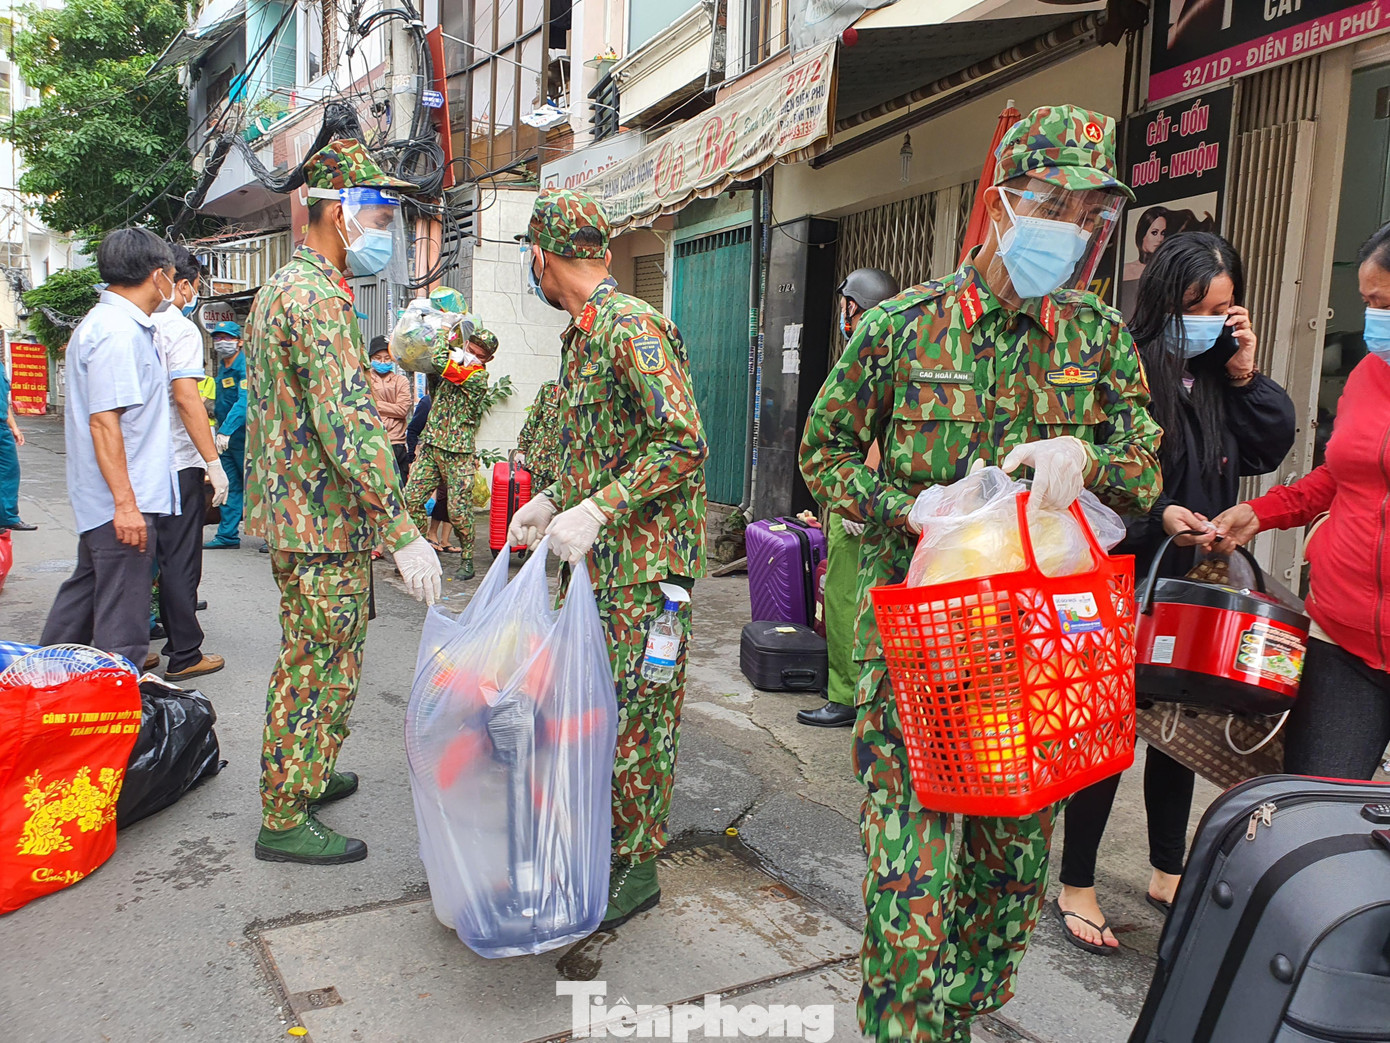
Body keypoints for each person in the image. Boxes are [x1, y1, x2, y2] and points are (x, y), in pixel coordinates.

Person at [799, 106, 1163, 1042]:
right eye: (1056, 201)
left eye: (1090, 212)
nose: (1073, 227)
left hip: (1036, 664)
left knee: (1003, 890)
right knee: (912, 891)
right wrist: (903, 508)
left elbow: (1145, 469)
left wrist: (1087, 457)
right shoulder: (899, 329)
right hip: (920, 656)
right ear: (1001, 201)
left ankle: (957, 1020)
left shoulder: (1097, 339)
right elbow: (824, 451)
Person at [1055, 232, 1295, 954]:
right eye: (1199, 306)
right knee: (1109, 727)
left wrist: (1247, 372)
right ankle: (1076, 881)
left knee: (1179, 723)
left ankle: (1166, 868)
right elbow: (1091, 475)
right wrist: (1154, 514)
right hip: (1125, 571)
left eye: (1224, 308)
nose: (1211, 320)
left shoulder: (1220, 374)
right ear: (1167, 298)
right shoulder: (1124, 362)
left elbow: (1266, 447)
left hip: (1195, 581)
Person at [506, 188, 708, 929]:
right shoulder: (584, 335)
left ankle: (639, 864)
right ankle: (609, 842)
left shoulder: (632, 327)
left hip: (649, 574)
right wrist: (556, 498)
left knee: (641, 719)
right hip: (602, 567)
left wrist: (599, 508)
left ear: (542, 254)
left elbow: (683, 441)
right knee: (601, 711)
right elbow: (605, 449)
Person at [243, 139, 442, 865]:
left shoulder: (286, 289)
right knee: (318, 662)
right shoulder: (317, 300)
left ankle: (312, 771)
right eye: (376, 209)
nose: (385, 226)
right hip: (323, 522)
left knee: (325, 652)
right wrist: (400, 528)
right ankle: (286, 813)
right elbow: (348, 427)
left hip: (305, 516)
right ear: (332, 211)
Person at [1213, 220, 1390, 779]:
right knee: (1317, 807)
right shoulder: (1368, 375)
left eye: (1380, 302)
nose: (1371, 319)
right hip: (1345, 641)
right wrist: (1259, 513)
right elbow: (1341, 475)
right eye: (1367, 302)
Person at [41, 228, 179, 668]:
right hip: (122, 501)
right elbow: (104, 423)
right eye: (173, 274)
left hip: (117, 500)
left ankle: (38, 686)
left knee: (84, 598)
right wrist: (125, 504)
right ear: (159, 275)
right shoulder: (117, 332)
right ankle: (113, 718)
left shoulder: (121, 327)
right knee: (123, 625)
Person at [799, 267, 900, 728]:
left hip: (861, 497)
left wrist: (859, 495)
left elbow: (876, 431)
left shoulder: (875, 344)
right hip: (888, 501)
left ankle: (844, 695)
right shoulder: (908, 338)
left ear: (853, 306)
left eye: (845, 305)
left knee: (842, 597)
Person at [149, 244, 231, 681]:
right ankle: (185, 652)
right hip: (176, 461)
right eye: (195, 286)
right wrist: (211, 461)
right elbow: (187, 399)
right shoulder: (179, 329)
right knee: (180, 558)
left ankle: (133, 640)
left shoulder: (136, 324)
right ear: (180, 284)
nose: (193, 294)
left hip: (142, 461)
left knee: (145, 556)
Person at [401, 326, 495, 580]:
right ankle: (422, 551)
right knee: (411, 498)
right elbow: (433, 370)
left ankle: (467, 559)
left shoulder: (476, 377)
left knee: (458, 510)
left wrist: (442, 334)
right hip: (432, 445)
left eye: (479, 354)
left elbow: (441, 363)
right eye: (470, 349)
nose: (472, 354)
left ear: (488, 360)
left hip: (458, 451)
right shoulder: (452, 367)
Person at [204, 321, 246, 549]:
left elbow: (244, 400)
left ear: (239, 342)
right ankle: (227, 535)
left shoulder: (243, 367)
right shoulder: (223, 366)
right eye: (218, 338)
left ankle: (273, 537)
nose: (222, 343)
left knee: (256, 487)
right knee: (228, 485)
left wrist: (228, 430)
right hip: (225, 437)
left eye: (227, 338)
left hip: (243, 436)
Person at [367, 335, 413, 480]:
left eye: (387, 358)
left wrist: (376, 404)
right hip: (372, 441)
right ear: (370, 358)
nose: (382, 362)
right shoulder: (364, 379)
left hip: (396, 443)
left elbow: (402, 409)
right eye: (378, 357)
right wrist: (391, 408)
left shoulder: (401, 381)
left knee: (399, 486)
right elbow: (363, 406)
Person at [0, 355, 35, 532]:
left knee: (9, 471)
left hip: (2, 427)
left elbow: (4, 402)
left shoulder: (0, 368)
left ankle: (7, 518)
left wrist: (14, 427)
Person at [517, 378, 563, 489]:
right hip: (540, 463)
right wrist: (521, 450)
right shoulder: (549, 389)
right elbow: (533, 420)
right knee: (536, 504)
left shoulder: (582, 394)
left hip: (565, 469)